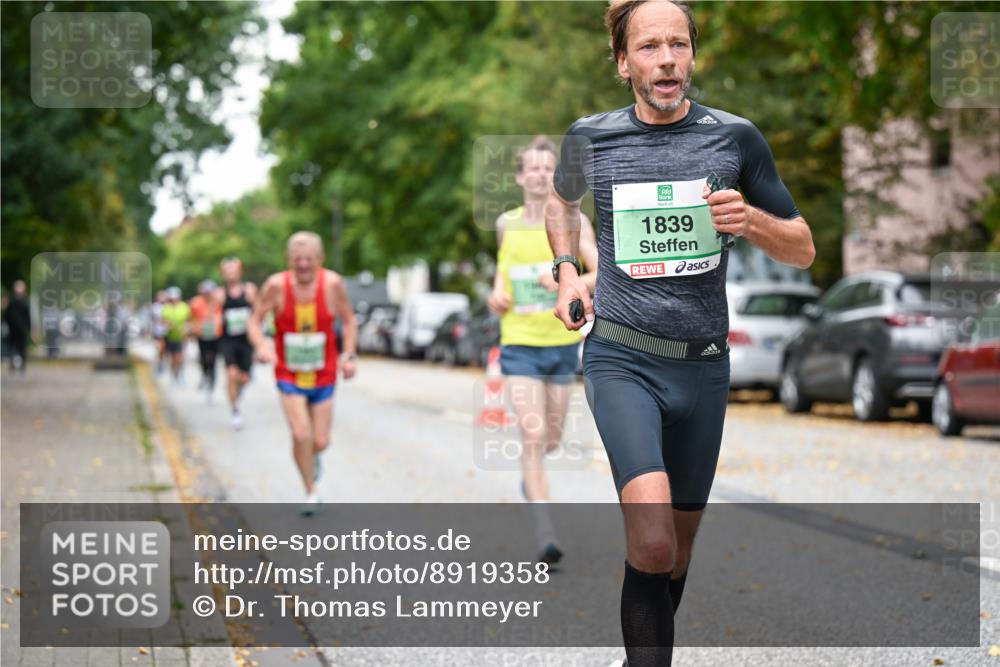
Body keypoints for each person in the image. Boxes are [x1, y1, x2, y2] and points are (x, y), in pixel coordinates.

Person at [545, 1, 816, 664]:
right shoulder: (591, 138)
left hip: (704, 367)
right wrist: (567, 273)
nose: (666, 59)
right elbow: (562, 201)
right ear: (622, 62)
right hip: (621, 359)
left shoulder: (736, 139)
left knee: (679, 550)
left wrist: (748, 219)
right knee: (655, 541)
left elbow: (804, 248)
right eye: (648, 47)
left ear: (691, 56)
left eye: (677, 45)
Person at [486, 135, 599, 565]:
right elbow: (504, 274)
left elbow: (601, 271)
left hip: (561, 344)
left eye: (545, 167)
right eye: (530, 167)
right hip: (518, 344)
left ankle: (530, 483)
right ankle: (544, 529)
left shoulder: (574, 222)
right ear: (519, 177)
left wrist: (569, 281)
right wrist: (495, 296)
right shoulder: (505, 223)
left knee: (551, 437)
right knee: (533, 434)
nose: (537, 174)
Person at [247, 232, 358, 516]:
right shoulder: (276, 286)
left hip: (324, 374)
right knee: (300, 433)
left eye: (309, 259)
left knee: (320, 441)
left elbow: (348, 320)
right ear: (289, 261)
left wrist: (349, 354)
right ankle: (311, 490)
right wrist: (262, 345)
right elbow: (255, 320)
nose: (304, 265)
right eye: (298, 260)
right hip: (289, 373)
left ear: (320, 259)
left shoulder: (332, 284)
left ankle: (312, 457)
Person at [218, 259, 257, 429]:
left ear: (240, 272)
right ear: (223, 274)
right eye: (227, 271)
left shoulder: (249, 290)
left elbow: (259, 312)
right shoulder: (220, 294)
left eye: (233, 270)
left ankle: (238, 388)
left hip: (247, 340)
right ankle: (235, 411)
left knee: (244, 378)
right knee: (231, 374)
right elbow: (213, 316)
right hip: (228, 340)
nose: (231, 274)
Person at [190, 280, 223, 399]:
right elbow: (191, 318)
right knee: (203, 357)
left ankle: (212, 383)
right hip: (202, 335)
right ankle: (205, 374)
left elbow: (222, 316)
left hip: (215, 335)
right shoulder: (196, 303)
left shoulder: (219, 302)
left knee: (213, 359)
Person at [160, 286, 191, 382]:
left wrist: (187, 329)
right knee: (172, 358)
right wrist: (168, 325)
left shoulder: (184, 307)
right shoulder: (166, 307)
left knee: (180, 357)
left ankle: (180, 374)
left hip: (181, 337)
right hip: (170, 336)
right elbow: (163, 320)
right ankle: (173, 373)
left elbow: (189, 320)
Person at [3, 280, 30, 373]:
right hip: (12, 329)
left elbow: (28, 316)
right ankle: (12, 365)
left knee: (22, 348)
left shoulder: (25, 301)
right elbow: (6, 315)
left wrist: (29, 328)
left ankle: (22, 366)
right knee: (12, 348)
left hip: (22, 329)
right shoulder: (11, 301)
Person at [151, 291, 168, 374]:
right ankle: (160, 362)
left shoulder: (168, 306)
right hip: (158, 330)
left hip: (167, 331)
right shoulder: (155, 307)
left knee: (164, 348)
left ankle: (162, 361)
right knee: (160, 347)